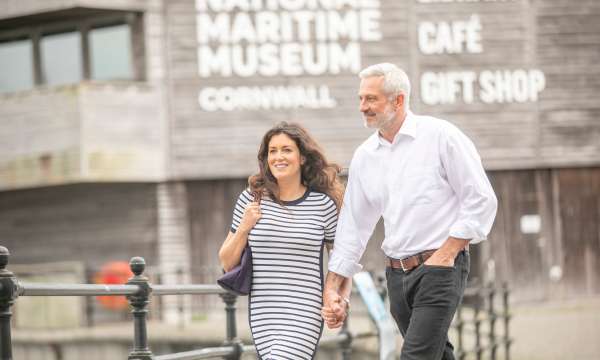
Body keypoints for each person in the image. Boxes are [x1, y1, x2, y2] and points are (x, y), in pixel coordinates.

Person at [322, 63, 498, 360]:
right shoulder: (365, 156)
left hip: (439, 270)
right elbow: (353, 226)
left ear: (398, 100)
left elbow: (481, 199)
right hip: (397, 277)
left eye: (371, 99)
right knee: (436, 355)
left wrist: (447, 254)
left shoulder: (441, 136)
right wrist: (333, 286)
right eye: (360, 99)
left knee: (415, 356)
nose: (362, 107)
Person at [218, 122, 349, 360]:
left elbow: (342, 261)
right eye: (273, 151)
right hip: (263, 314)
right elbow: (227, 262)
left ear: (302, 158)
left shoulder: (322, 205)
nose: (279, 156)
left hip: (304, 313)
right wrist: (244, 228)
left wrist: (341, 300)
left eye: (287, 150)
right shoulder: (251, 199)